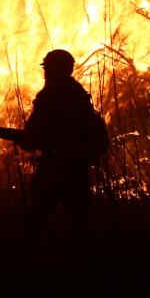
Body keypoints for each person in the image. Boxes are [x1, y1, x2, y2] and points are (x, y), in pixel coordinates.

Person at [21, 49, 107, 237]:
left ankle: (26, 254)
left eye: (48, 69)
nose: (45, 73)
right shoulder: (79, 94)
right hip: (77, 168)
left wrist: (27, 139)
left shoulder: (49, 96)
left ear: (55, 70)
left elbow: (33, 135)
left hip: (55, 167)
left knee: (35, 219)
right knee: (80, 220)